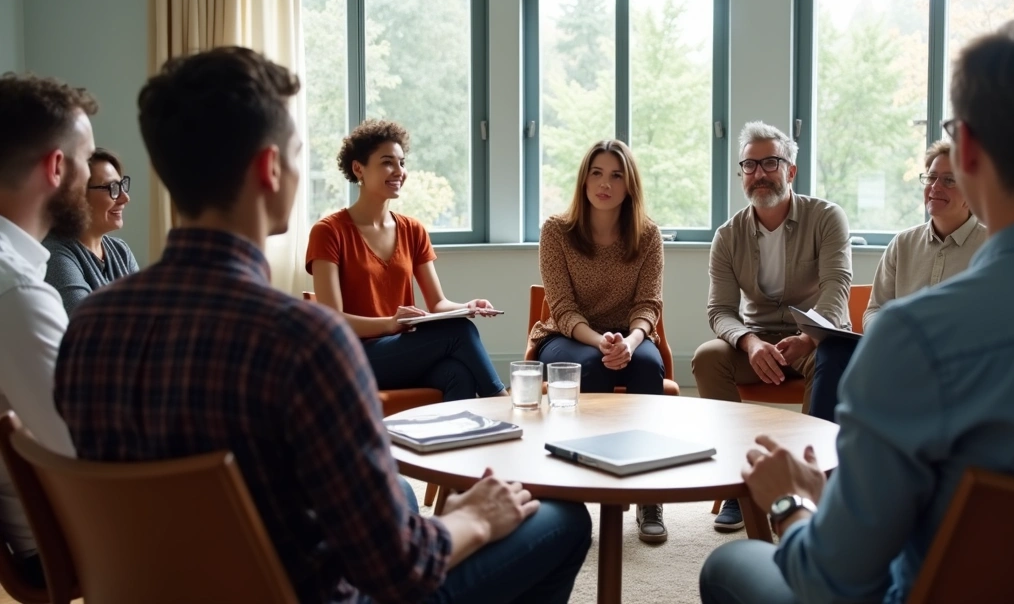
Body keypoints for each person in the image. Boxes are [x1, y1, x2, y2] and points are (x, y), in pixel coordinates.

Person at [700, 18, 1014, 604]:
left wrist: (795, 502)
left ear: (966, 150)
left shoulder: (914, 339)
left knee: (733, 564)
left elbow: (830, 583)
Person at [55, 47, 591, 604]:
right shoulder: (304, 342)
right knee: (563, 520)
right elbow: (400, 568)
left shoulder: (89, 328)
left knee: (404, 500)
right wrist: (472, 520)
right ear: (269, 169)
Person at [692, 120, 852, 532]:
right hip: (759, 342)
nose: (759, 173)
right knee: (709, 357)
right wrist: (748, 343)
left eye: (770, 163)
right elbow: (720, 311)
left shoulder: (827, 218)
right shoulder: (727, 236)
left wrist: (807, 337)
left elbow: (838, 289)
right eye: (749, 165)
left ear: (791, 171)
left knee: (831, 357)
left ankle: (807, 479)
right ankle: (735, 483)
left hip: (816, 339)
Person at [306, 119, 506, 402]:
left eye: (402, 162)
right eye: (388, 162)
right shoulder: (328, 232)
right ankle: (502, 404)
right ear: (358, 168)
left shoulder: (412, 230)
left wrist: (466, 306)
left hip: (400, 351)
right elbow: (331, 319)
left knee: (458, 373)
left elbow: (437, 303)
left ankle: (457, 444)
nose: (399, 171)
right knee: (459, 332)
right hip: (351, 356)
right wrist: (389, 323)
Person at [530, 139, 668, 543]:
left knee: (645, 364)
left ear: (629, 186)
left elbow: (649, 303)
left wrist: (632, 338)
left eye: (615, 175)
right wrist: (600, 341)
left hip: (630, 333)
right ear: (583, 180)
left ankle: (647, 494)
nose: (604, 184)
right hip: (568, 334)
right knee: (587, 367)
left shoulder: (648, 235)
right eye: (596, 173)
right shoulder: (556, 231)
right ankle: (578, 491)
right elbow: (562, 306)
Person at [808, 141, 987, 422]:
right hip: (896, 352)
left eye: (949, 180)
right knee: (833, 350)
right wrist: (892, 338)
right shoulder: (902, 243)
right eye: (931, 177)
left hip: (956, 360)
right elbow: (874, 309)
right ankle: (818, 457)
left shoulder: (990, 246)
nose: (935, 186)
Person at [0, 72, 94, 586]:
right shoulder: (13, 290)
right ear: (57, 167)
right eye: (87, 160)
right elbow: (84, 447)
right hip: (64, 537)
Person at [43, 147, 139, 315]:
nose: (125, 198)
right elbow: (85, 325)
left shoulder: (121, 251)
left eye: (122, 185)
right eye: (112, 188)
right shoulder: (55, 255)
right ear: (77, 195)